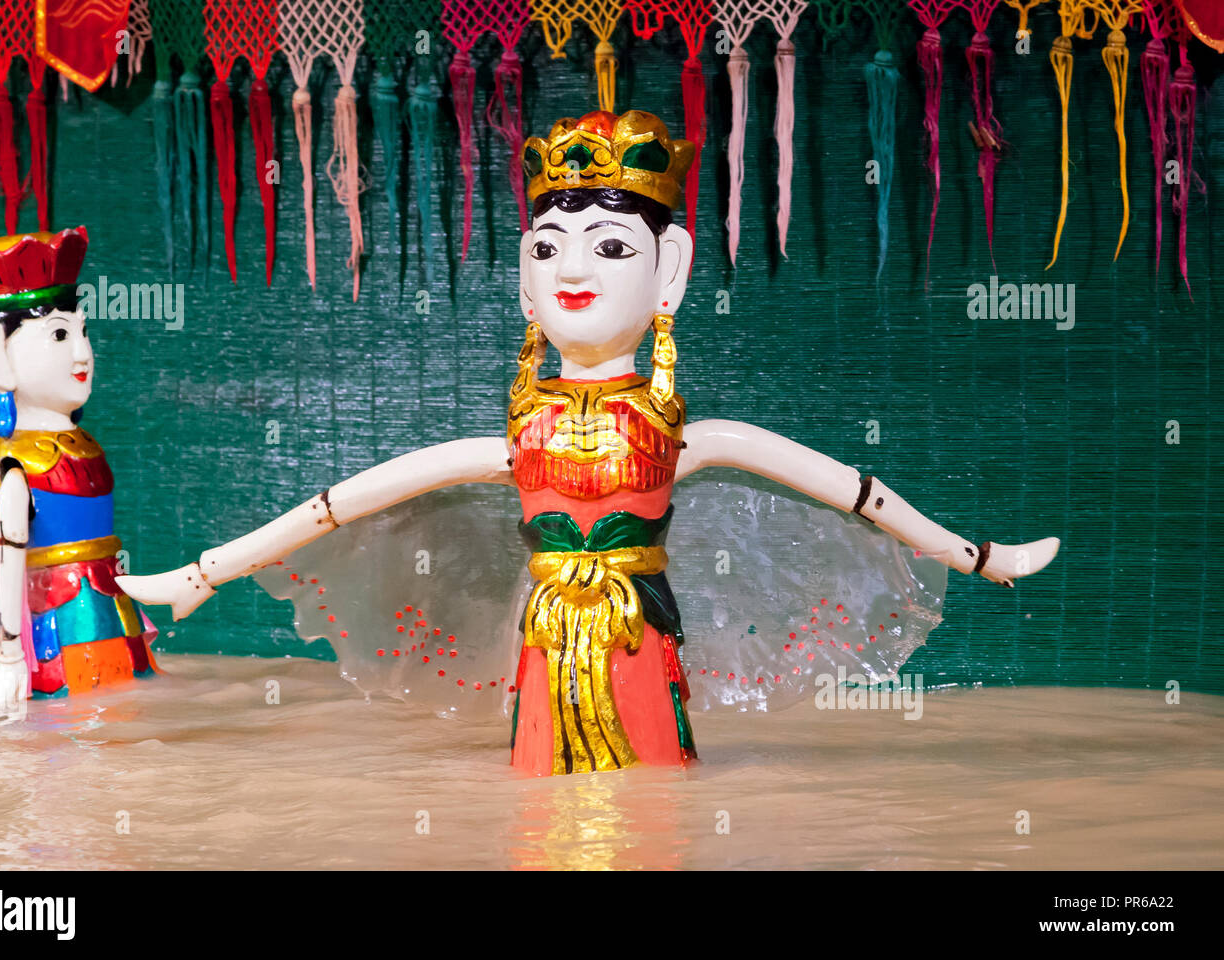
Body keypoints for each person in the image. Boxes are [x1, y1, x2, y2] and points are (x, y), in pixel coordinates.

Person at [121, 110, 1058, 775]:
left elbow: (853, 491)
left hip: (637, 640)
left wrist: (973, 556)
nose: (571, 267)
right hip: (547, 646)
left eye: (610, 246)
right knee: (539, 811)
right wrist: (206, 571)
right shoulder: (517, 434)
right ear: (523, 283)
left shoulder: (686, 435)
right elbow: (347, 500)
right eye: (546, 246)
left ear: (671, 271)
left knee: (654, 802)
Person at [0, 227, 160, 707]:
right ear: (1, 357)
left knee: (123, 719)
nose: (82, 353)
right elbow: (9, 557)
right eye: (59, 335)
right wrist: (12, 656)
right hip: (58, 626)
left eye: (83, 332)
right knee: (72, 735)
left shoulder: (83, 445)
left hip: (109, 606)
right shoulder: (17, 464)